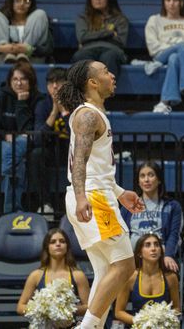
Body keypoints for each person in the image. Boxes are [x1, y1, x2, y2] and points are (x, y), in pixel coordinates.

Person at [57, 59, 145, 329]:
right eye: (106, 71)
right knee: (125, 265)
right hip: (92, 197)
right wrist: (83, 196)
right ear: (92, 82)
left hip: (96, 192)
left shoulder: (93, 113)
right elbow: (79, 161)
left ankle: (91, 327)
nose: (112, 75)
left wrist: (118, 192)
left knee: (106, 271)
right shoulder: (87, 115)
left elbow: (95, 164)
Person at [0, 60, 41, 212]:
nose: (19, 83)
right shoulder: (0, 97)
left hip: (22, 146)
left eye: (23, 79)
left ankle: (1, 175)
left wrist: (21, 104)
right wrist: (4, 135)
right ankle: (12, 211)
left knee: (22, 148)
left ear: (31, 81)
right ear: (10, 81)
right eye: (15, 79)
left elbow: (29, 130)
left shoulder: (37, 100)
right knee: (15, 158)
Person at [120, 161, 183, 273]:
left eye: (151, 175)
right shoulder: (128, 206)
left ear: (159, 180)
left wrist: (168, 255)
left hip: (159, 256)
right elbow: (121, 233)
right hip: (133, 256)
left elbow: (174, 234)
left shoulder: (172, 206)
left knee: (170, 269)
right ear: (138, 182)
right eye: (142, 176)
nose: (146, 180)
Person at [17, 228, 90, 321]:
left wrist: (66, 309)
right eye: (53, 242)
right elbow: (20, 307)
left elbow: (88, 307)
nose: (58, 244)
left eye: (62, 241)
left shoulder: (78, 275)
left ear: (67, 246)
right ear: (47, 247)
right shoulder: (36, 275)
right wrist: (42, 308)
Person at [114, 233, 181, 325]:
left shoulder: (171, 277)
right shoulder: (130, 278)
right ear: (139, 253)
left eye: (157, 245)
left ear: (161, 252)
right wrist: (142, 322)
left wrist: (163, 320)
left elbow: (177, 308)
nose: (153, 249)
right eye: (147, 245)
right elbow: (119, 312)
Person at [71, 0, 129, 81]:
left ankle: (106, 94)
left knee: (109, 57)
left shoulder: (120, 19)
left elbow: (121, 41)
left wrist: (92, 36)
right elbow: (82, 37)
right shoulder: (83, 18)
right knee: (81, 56)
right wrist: (109, 33)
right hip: (88, 50)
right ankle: (85, 95)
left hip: (112, 50)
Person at [30, 67, 69, 214]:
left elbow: (79, 137)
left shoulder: (77, 103)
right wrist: (54, 112)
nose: (54, 87)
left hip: (71, 150)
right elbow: (38, 139)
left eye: (59, 82)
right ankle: (45, 203)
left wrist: (64, 112)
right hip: (52, 151)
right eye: (51, 83)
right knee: (36, 154)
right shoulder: (43, 105)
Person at [0, 0, 52, 64]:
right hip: (3, 58)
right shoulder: (0, 20)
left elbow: (48, 48)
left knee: (41, 13)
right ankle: (8, 52)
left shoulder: (38, 19)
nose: (22, 4)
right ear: (11, 2)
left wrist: (28, 49)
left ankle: (23, 53)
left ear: (31, 3)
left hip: (31, 60)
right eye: (18, 0)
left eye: (26, 1)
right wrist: (1, 48)